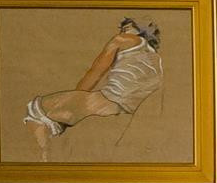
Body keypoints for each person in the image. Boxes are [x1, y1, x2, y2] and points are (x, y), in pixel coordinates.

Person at [23, 18, 162, 159]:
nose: (122, 31)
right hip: (130, 109)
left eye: (126, 28)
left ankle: (41, 161)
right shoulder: (156, 59)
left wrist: (75, 98)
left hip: (107, 102)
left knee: (36, 109)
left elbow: (95, 73)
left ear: (140, 29)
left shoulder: (123, 40)